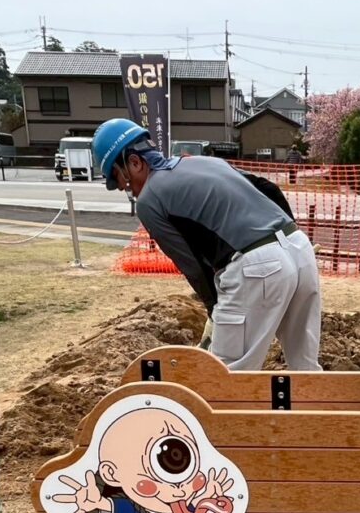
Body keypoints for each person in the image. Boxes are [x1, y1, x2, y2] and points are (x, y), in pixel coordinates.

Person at [92, 118, 321, 371]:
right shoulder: (204, 162)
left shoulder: (149, 199)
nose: (127, 189)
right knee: (305, 370)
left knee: (222, 379)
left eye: (121, 179)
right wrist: (289, 237)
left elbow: (192, 266)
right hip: (299, 248)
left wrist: (215, 311)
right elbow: (267, 188)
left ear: (134, 162)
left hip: (258, 266)